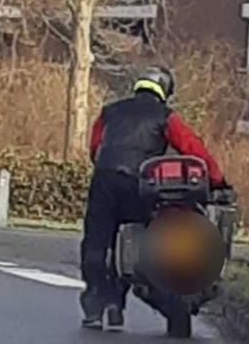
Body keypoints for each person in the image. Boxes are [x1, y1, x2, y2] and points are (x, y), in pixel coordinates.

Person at [80, 66, 230, 330]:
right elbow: (193, 149)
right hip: (138, 183)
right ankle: (116, 305)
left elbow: (94, 147)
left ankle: (94, 304)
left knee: (96, 240)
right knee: (134, 242)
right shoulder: (165, 116)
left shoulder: (109, 112)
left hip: (104, 179)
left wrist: (106, 167)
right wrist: (218, 181)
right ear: (164, 91)